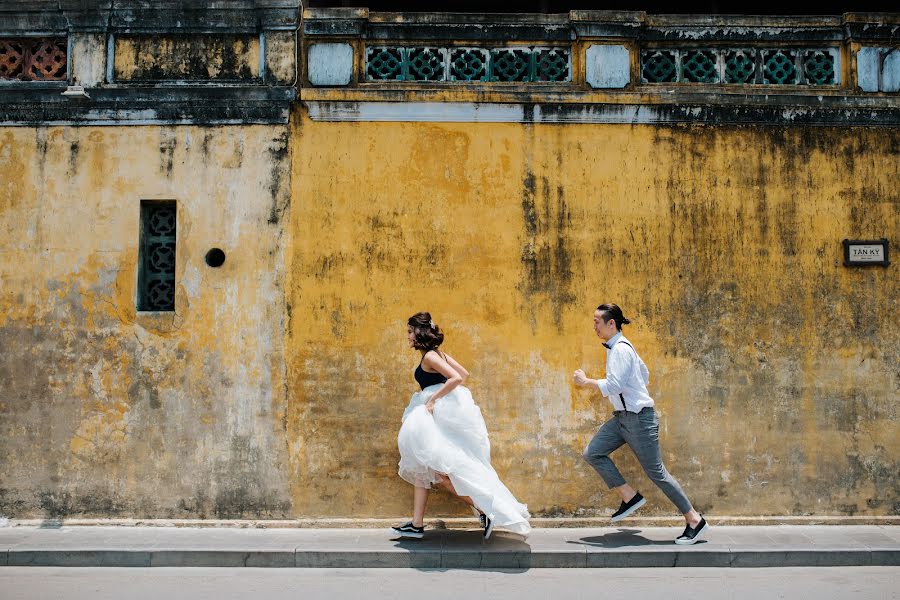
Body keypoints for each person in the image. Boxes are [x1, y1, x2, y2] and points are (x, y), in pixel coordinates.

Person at [574, 303, 708, 545]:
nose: (594, 326)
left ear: (611, 323)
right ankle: (629, 496)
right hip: (623, 418)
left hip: (638, 420)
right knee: (593, 453)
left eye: (597, 321)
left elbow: (614, 385)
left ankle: (694, 520)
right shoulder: (618, 348)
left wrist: (586, 381)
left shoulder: (621, 350)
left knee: (657, 473)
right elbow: (643, 373)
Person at [391, 312, 531, 540]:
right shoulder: (438, 354)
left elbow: (457, 378)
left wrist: (434, 398)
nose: (407, 336)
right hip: (438, 417)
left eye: (409, 332)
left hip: (434, 414)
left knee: (441, 473)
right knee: (423, 470)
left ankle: (486, 510)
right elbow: (463, 373)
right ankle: (416, 524)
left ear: (419, 332)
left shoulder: (430, 358)